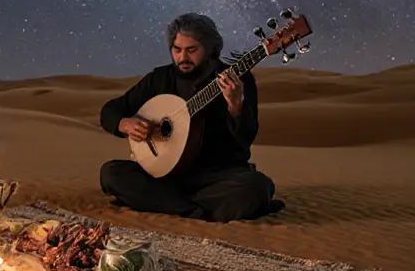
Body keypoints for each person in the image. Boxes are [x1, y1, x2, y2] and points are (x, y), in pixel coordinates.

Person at [98, 13, 284, 222]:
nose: (183, 57)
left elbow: (246, 137)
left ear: (210, 49)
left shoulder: (237, 79)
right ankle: (199, 211)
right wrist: (124, 123)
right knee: (111, 173)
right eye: (177, 50)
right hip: (164, 176)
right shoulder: (160, 78)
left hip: (216, 175)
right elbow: (111, 110)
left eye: (192, 50)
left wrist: (236, 105)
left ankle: (169, 205)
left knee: (256, 187)